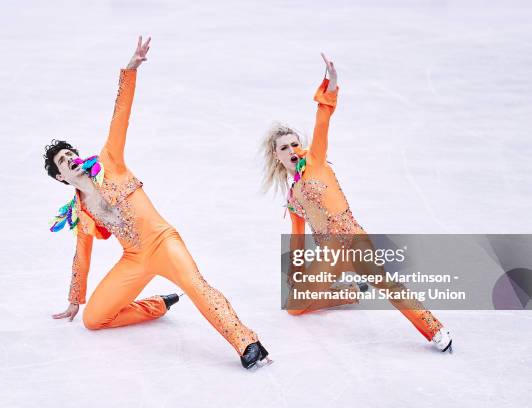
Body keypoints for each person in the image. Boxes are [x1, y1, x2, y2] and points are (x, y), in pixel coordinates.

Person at [46, 36, 269, 368]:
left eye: (70, 153)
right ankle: (158, 306)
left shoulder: (110, 161)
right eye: (63, 161)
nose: (70, 159)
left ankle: (247, 342)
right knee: (94, 319)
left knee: (197, 287)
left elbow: (120, 116)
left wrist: (130, 70)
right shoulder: (81, 211)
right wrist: (74, 299)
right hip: (134, 259)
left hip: (164, 242)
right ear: (61, 178)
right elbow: (82, 257)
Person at [261, 53, 453, 352]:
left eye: (295, 143)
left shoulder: (315, 161)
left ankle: (434, 328)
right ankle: (349, 292)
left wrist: (332, 84)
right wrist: (296, 274)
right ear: (277, 156)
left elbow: (322, 119)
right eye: (284, 147)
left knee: (385, 284)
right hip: (329, 255)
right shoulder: (291, 199)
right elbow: (297, 241)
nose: (292, 149)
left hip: (354, 239)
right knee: (294, 306)